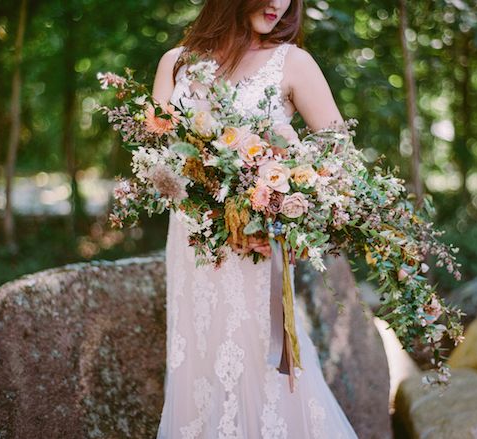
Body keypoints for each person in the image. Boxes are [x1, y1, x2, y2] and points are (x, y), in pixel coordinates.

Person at [152, 0, 359, 437]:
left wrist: (290, 221)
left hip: (255, 251)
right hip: (193, 249)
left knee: (261, 369)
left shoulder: (293, 63)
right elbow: (158, 165)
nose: (277, 2)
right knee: (198, 369)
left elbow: (343, 164)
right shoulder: (176, 64)